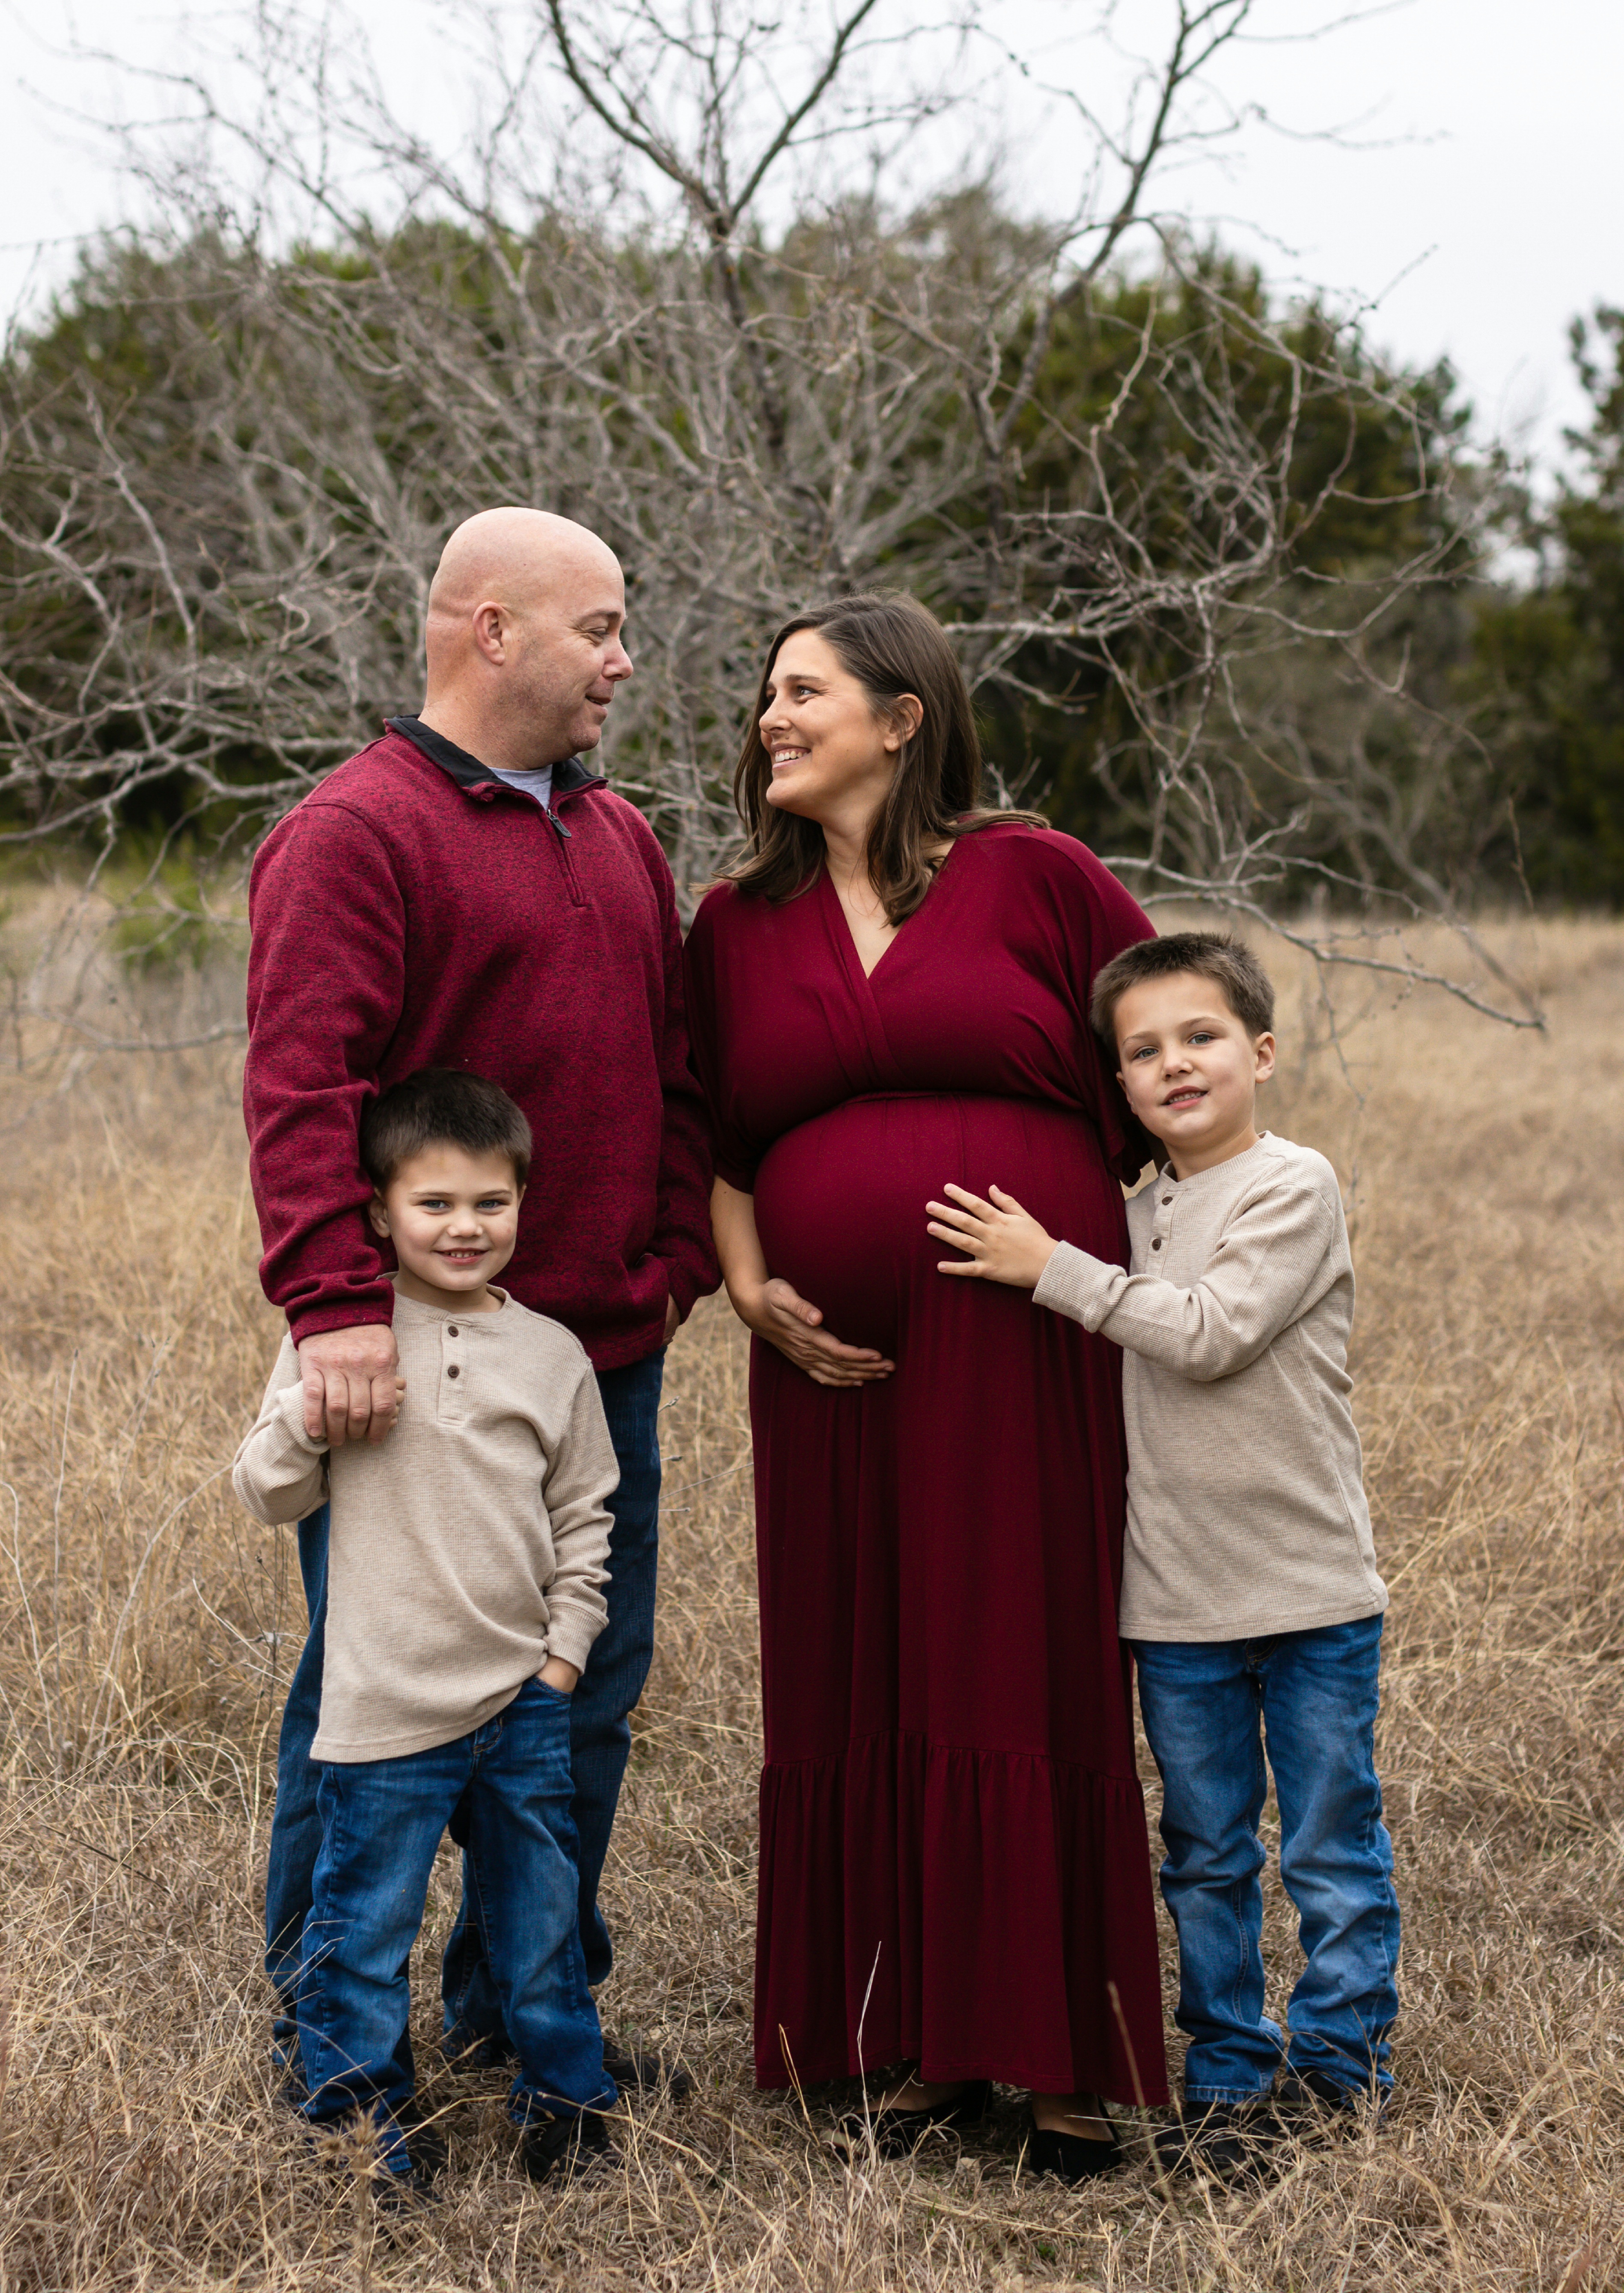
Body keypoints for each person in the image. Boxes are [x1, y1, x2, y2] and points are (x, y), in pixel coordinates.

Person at [681, 591, 1169, 2185]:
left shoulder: (1034, 874)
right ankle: (908, 2030)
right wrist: (749, 1284)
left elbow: (1168, 1058)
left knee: (1015, 1648)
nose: (770, 717)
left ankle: (1059, 2050)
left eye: (802, 691)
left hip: (1022, 1332)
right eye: (766, 694)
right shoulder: (734, 924)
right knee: (862, 1651)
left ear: (902, 719)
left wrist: (1106, 1248)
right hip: (828, 1361)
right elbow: (720, 1140)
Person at [244, 507, 717, 2096]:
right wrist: (337, 1310)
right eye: (600, 627)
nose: (623, 659)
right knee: (369, 1698)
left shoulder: (622, 833)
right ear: (490, 629)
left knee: (580, 1694)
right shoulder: (356, 831)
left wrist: (672, 1260)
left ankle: (521, 2009)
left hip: (601, 1354)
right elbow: (303, 1085)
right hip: (407, 1370)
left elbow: (673, 1070)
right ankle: (327, 2026)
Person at [926, 931, 1398, 2182]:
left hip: (1307, 1587)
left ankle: (1340, 2064)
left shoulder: (1293, 1184)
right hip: (1177, 1601)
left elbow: (1210, 1333)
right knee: (1204, 1850)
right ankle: (1228, 2068)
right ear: (1120, 1085)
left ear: (1262, 1051)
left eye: (1200, 1036)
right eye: (1142, 1051)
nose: (1174, 1064)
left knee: (1329, 1841)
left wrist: (1052, 1268)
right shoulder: (1127, 1217)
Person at [236, 1070, 620, 2191]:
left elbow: (586, 1516)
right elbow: (264, 1491)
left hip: (520, 1700)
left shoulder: (551, 1354)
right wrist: (315, 1411)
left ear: (523, 1202)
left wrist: (562, 1658)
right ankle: (359, 2124)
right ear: (378, 1207)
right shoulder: (341, 1342)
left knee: (540, 1929)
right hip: (383, 1703)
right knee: (362, 1931)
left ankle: (568, 2103)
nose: (465, 1227)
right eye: (435, 1203)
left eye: (490, 1203)